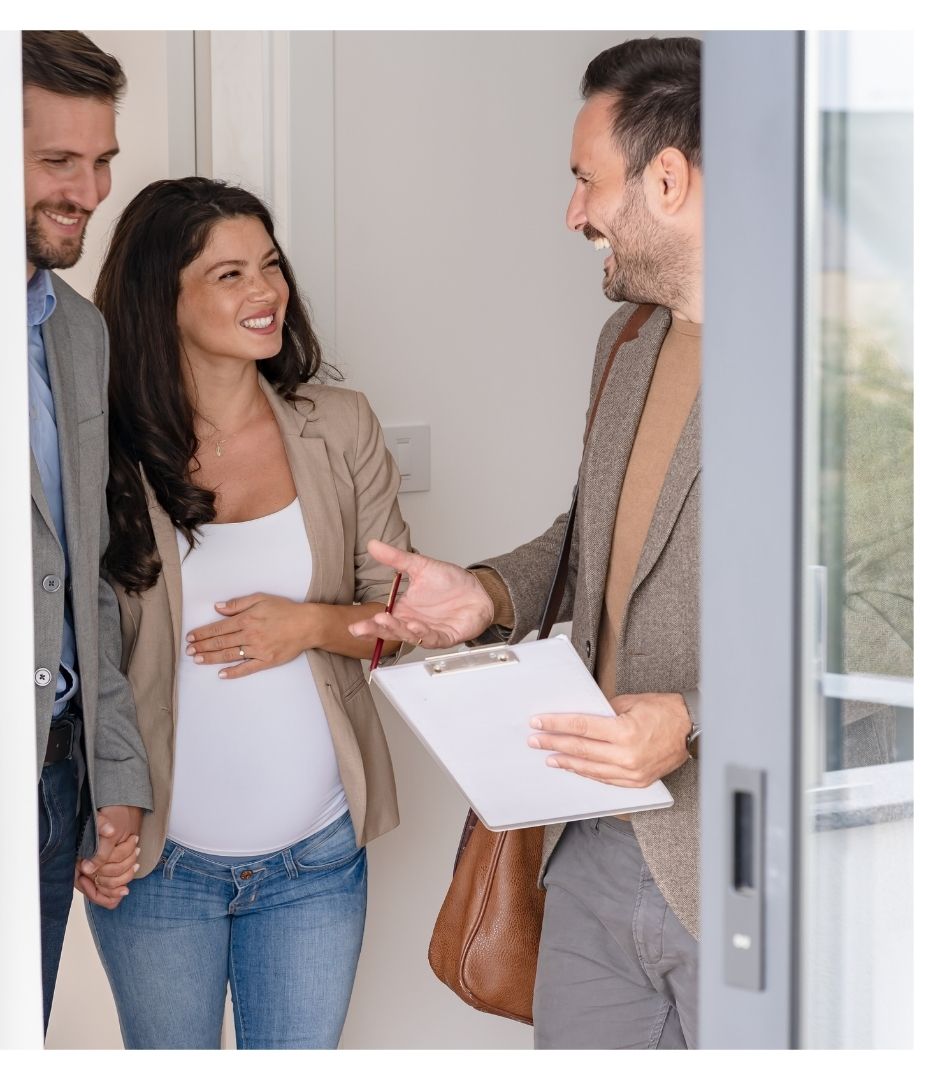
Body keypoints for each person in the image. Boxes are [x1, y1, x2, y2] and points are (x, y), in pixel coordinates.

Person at [350, 37, 705, 1049]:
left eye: (585, 181)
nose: (574, 214)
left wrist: (698, 716)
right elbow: (589, 539)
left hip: (743, 869)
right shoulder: (629, 342)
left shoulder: (846, 361)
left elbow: (892, 624)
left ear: (668, 178)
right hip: (588, 842)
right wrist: (484, 596)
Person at [83, 177, 410, 1049]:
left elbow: (402, 616)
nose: (264, 292)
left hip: (317, 859)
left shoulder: (338, 426)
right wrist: (94, 805)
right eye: (229, 275)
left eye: (270, 266)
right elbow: (71, 652)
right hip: (158, 866)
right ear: (164, 294)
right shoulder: (100, 448)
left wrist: (307, 626)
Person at [21, 30, 152, 1034]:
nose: (90, 190)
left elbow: (88, 576)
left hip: (61, 772)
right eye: (58, 162)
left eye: (102, 160)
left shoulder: (80, 329)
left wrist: (115, 774)